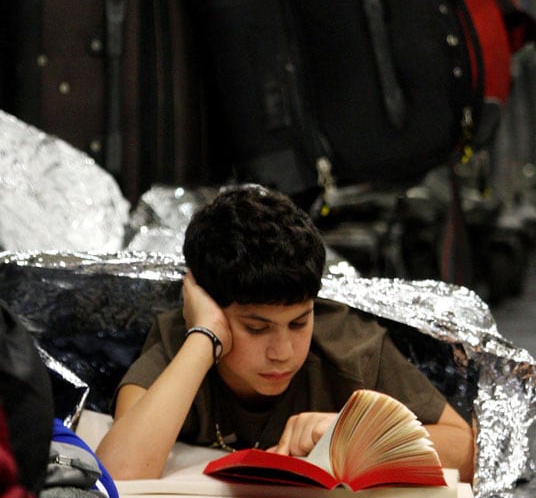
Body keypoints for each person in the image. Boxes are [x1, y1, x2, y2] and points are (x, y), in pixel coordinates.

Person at [96, 184, 474, 482]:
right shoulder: (181, 345)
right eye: (256, 328)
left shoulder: (349, 349)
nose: (283, 351)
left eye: (299, 322)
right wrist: (205, 337)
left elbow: (464, 449)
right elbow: (119, 473)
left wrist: (355, 434)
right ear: (206, 305)